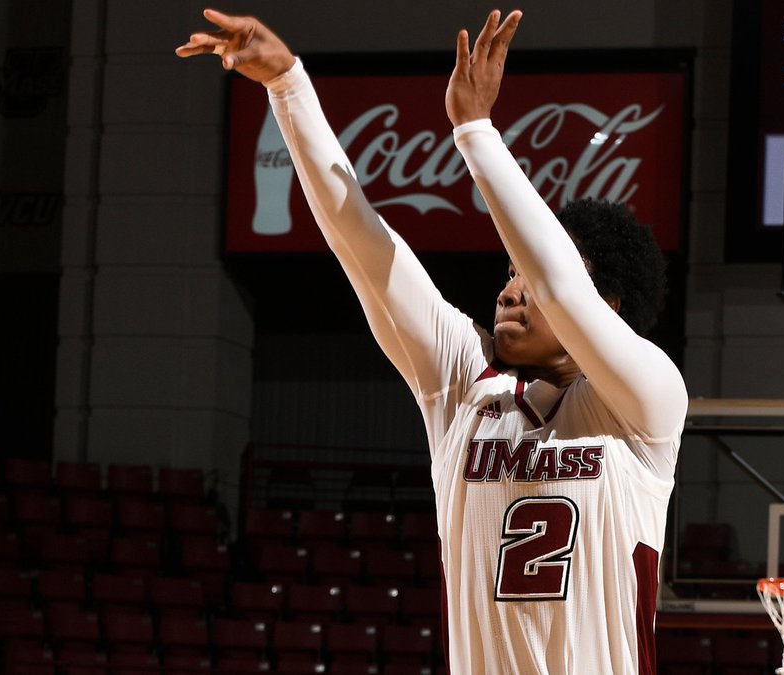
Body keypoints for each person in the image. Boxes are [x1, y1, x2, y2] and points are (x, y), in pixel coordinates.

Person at [177, 8, 688, 675]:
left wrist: (475, 130)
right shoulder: (464, 387)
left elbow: (562, 288)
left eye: (525, 278)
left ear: (610, 307)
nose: (510, 291)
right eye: (509, 276)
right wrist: (288, 85)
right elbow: (361, 241)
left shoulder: (646, 404)